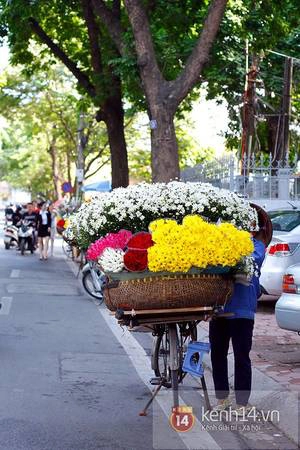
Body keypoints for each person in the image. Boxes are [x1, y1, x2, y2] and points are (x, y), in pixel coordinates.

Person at [209, 208, 270, 415]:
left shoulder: (257, 246)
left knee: (241, 355)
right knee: (217, 354)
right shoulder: (222, 243)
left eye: (250, 226)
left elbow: (252, 261)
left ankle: (242, 403)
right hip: (219, 306)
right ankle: (222, 399)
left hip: (242, 309)